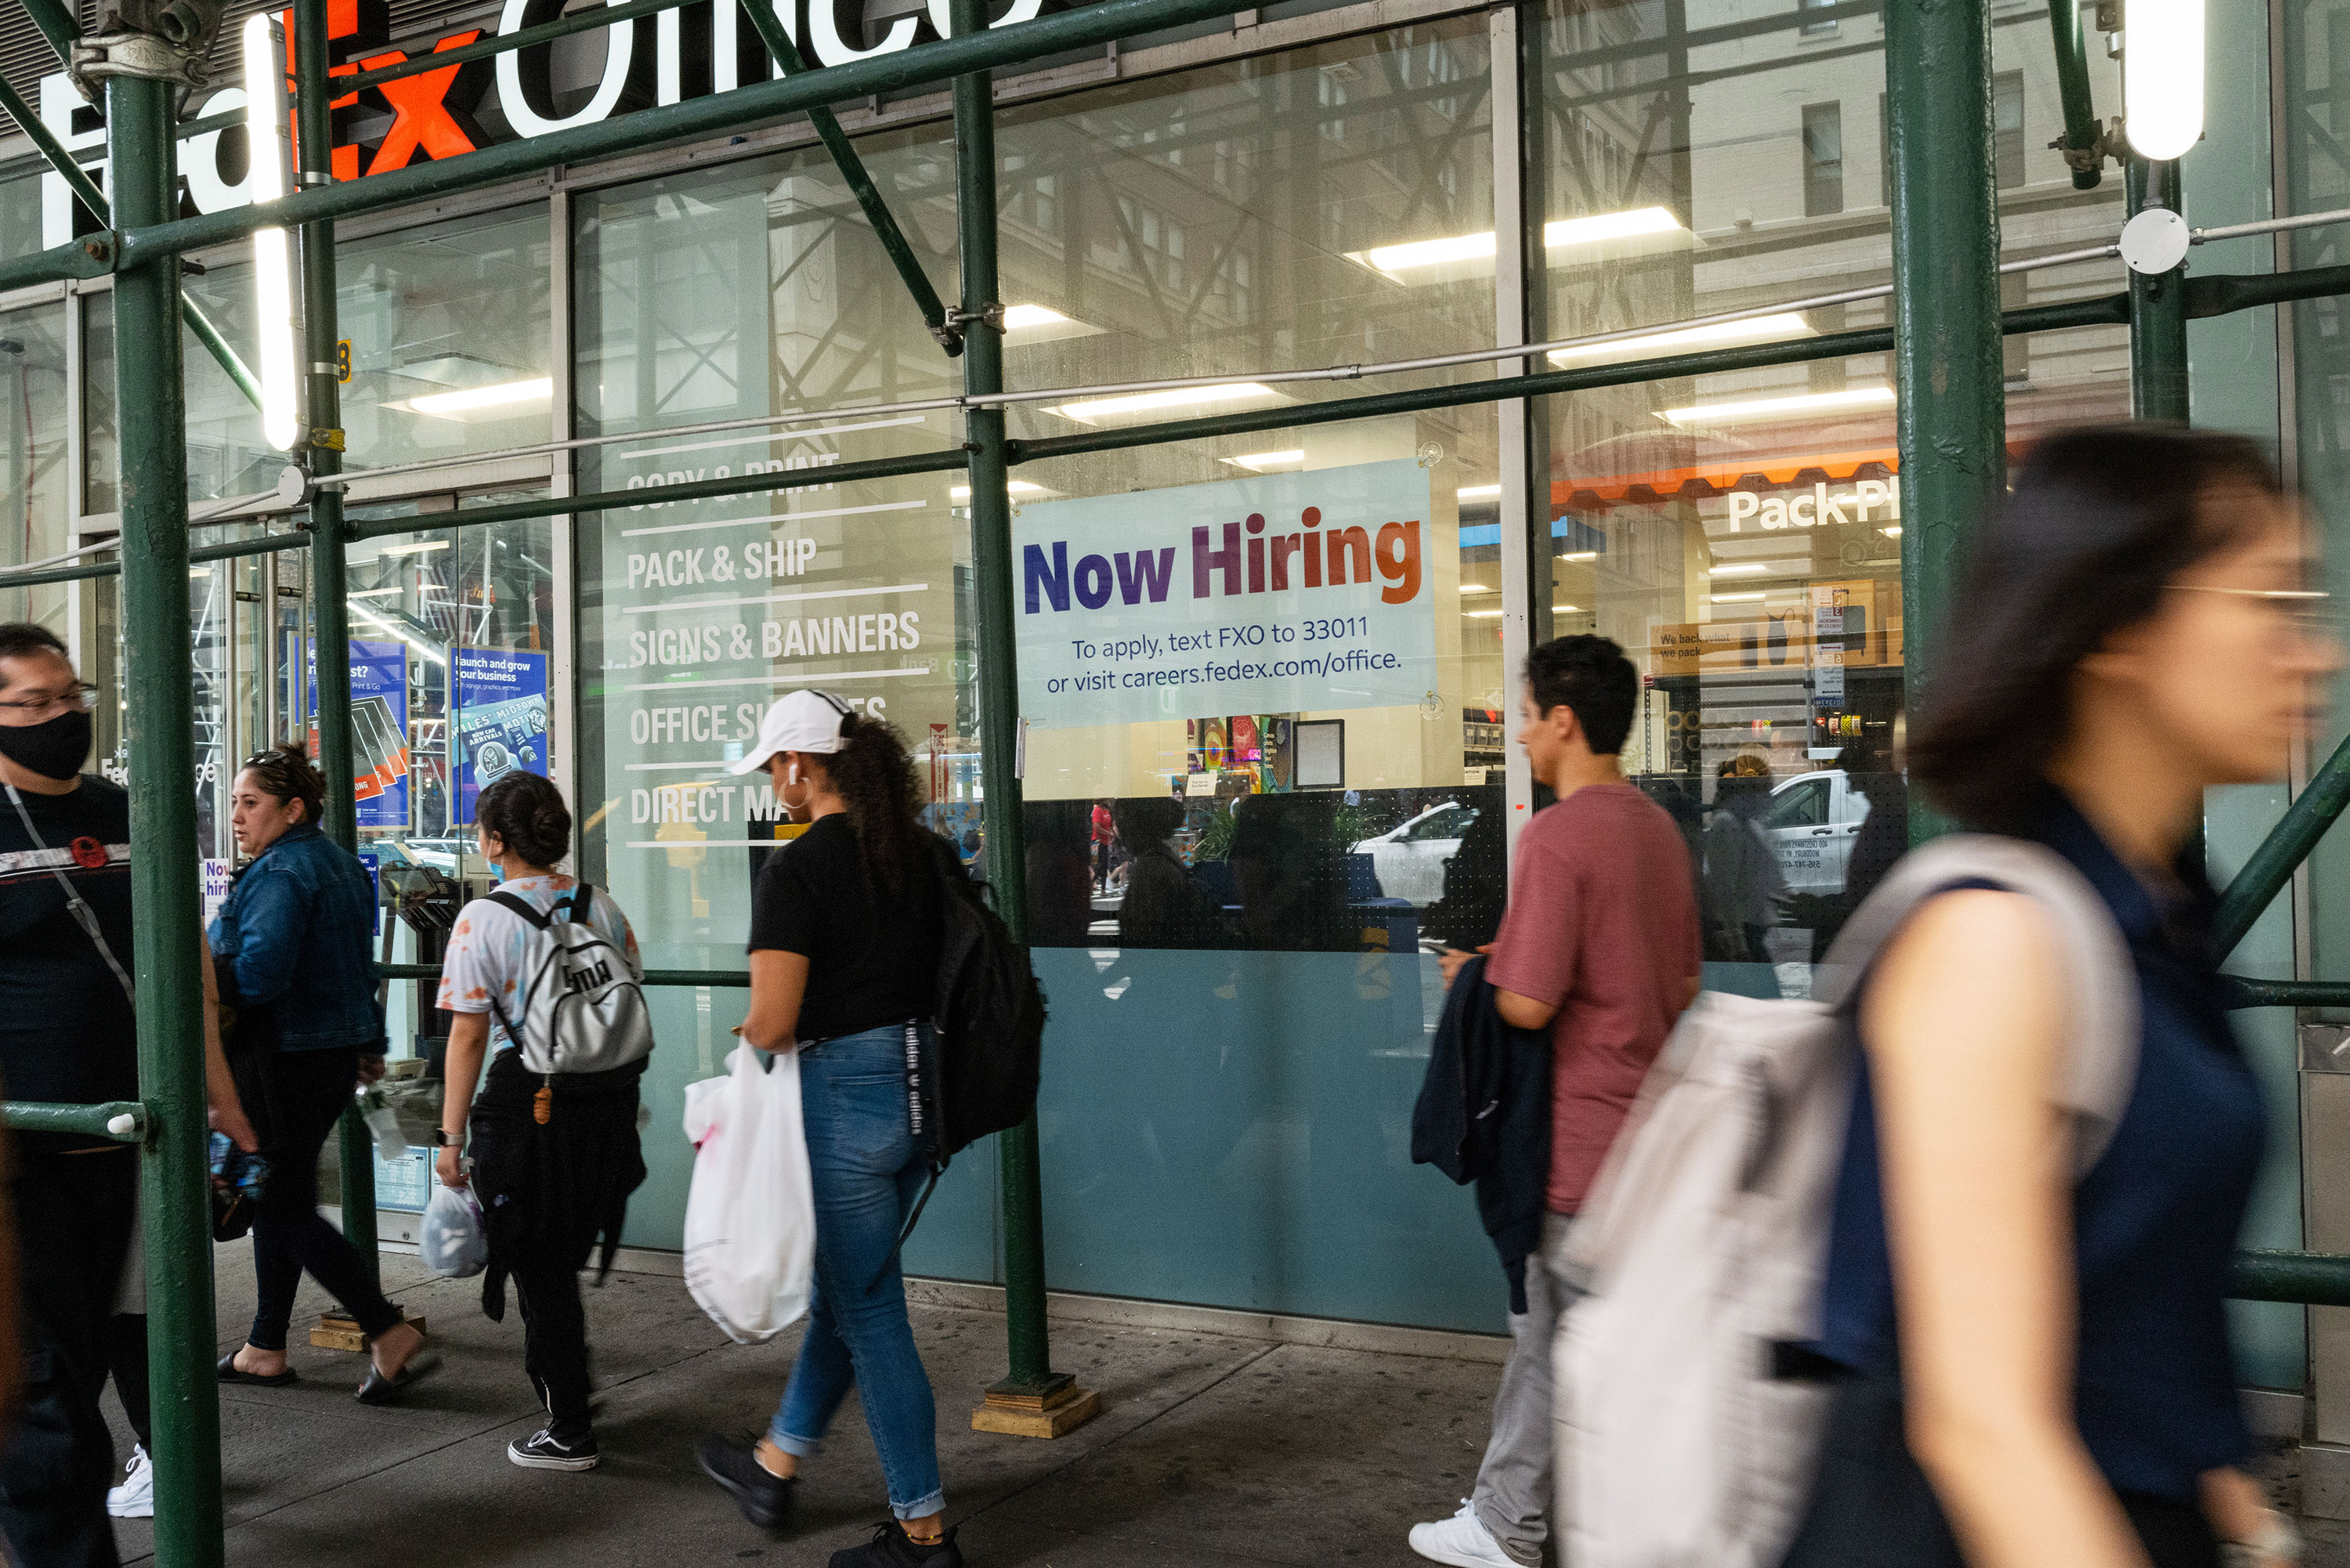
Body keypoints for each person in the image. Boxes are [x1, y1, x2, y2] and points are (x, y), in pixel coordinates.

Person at [1781, 427, 2333, 1568]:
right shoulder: (1995, 939)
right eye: (2270, 602)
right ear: (2119, 625)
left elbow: (2141, 1314)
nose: (2310, 652)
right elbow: (1984, 1424)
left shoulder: (2159, 917)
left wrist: (2251, 1525)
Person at [1411, 634, 1701, 1568]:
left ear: (1566, 721)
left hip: (1575, 1142)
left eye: (1528, 716)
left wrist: (1476, 974)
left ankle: (1507, 1524)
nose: (1522, 734)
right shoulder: (1656, 828)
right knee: (1595, 1346)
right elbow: (1678, 980)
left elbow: (1529, 999)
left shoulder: (1557, 834)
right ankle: (1577, 1520)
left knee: (1547, 1334)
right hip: (1652, 1134)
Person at [0, 623, 248, 1567]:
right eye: (34, 703)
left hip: (138, 1142)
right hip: (29, 1156)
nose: (63, 715)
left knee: (116, 1361)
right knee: (48, 1397)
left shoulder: (121, 809)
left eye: (71, 695)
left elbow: (185, 958)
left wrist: (221, 1095)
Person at [698, 690, 965, 1568]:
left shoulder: (798, 870)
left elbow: (773, 1022)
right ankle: (775, 1463)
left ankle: (923, 1535)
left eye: (778, 765)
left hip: (844, 1097)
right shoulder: (921, 854)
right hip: (923, 1093)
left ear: (805, 767)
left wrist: (744, 1039)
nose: (776, 782)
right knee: (852, 1293)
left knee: (871, 1308)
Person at [435, 771, 648, 1472]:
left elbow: (468, 1037)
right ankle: (569, 1393)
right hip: (607, 1104)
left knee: (540, 1267)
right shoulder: (603, 906)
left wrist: (451, 1138)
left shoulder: (482, 921)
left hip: (529, 1108)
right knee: (557, 1259)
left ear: (496, 841)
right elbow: (628, 990)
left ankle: (570, 1428)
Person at [212, 743, 431, 1404]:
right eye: (234, 803)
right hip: (328, 1056)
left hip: (281, 1060)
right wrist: (367, 1040)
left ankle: (385, 1329)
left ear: (294, 808)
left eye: (251, 803)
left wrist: (206, 984)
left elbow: (262, 972)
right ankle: (265, 1346)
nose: (237, 817)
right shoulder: (337, 864)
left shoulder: (280, 873)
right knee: (281, 1195)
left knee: (280, 1203)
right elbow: (355, 967)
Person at [1702, 752, 1782, 963]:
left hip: (1756, 934)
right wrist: (1739, 946)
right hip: (1745, 939)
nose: (1770, 799)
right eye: (1765, 791)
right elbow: (1724, 890)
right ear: (1748, 792)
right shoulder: (1727, 824)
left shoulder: (1751, 825)